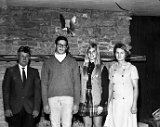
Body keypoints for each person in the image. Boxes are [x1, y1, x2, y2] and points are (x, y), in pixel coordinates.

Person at [41, 36, 81, 127]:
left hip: (68, 99)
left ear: (67, 47)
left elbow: (77, 84)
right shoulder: (47, 62)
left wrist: (76, 103)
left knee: (67, 124)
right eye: (59, 44)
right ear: (55, 45)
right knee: (55, 125)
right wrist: (45, 104)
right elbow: (43, 85)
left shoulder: (73, 62)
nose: (61, 47)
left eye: (64, 45)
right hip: (52, 99)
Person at [2, 46, 41, 127]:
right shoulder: (10, 71)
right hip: (13, 110)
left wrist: (36, 108)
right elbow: (6, 91)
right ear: (17, 57)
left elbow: (37, 92)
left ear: (29, 58)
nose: (24, 58)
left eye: (26, 56)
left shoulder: (34, 72)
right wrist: (7, 108)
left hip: (30, 110)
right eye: (22, 56)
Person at [104, 43, 139, 127]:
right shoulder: (112, 67)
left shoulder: (132, 68)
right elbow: (110, 87)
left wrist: (134, 104)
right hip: (115, 102)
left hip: (127, 103)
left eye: (122, 53)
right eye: (117, 52)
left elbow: (136, 88)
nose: (119, 55)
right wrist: (108, 103)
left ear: (125, 54)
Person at [78, 43, 109, 127]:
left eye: (94, 51)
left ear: (97, 53)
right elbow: (79, 87)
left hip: (97, 100)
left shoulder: (102, 68)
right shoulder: (82, 68)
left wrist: (102, 104)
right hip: (85, 100)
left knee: (97, 125)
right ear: (87, 54)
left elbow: (106, 88)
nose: (91, 54)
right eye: (89, 52)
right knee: (87, 125)